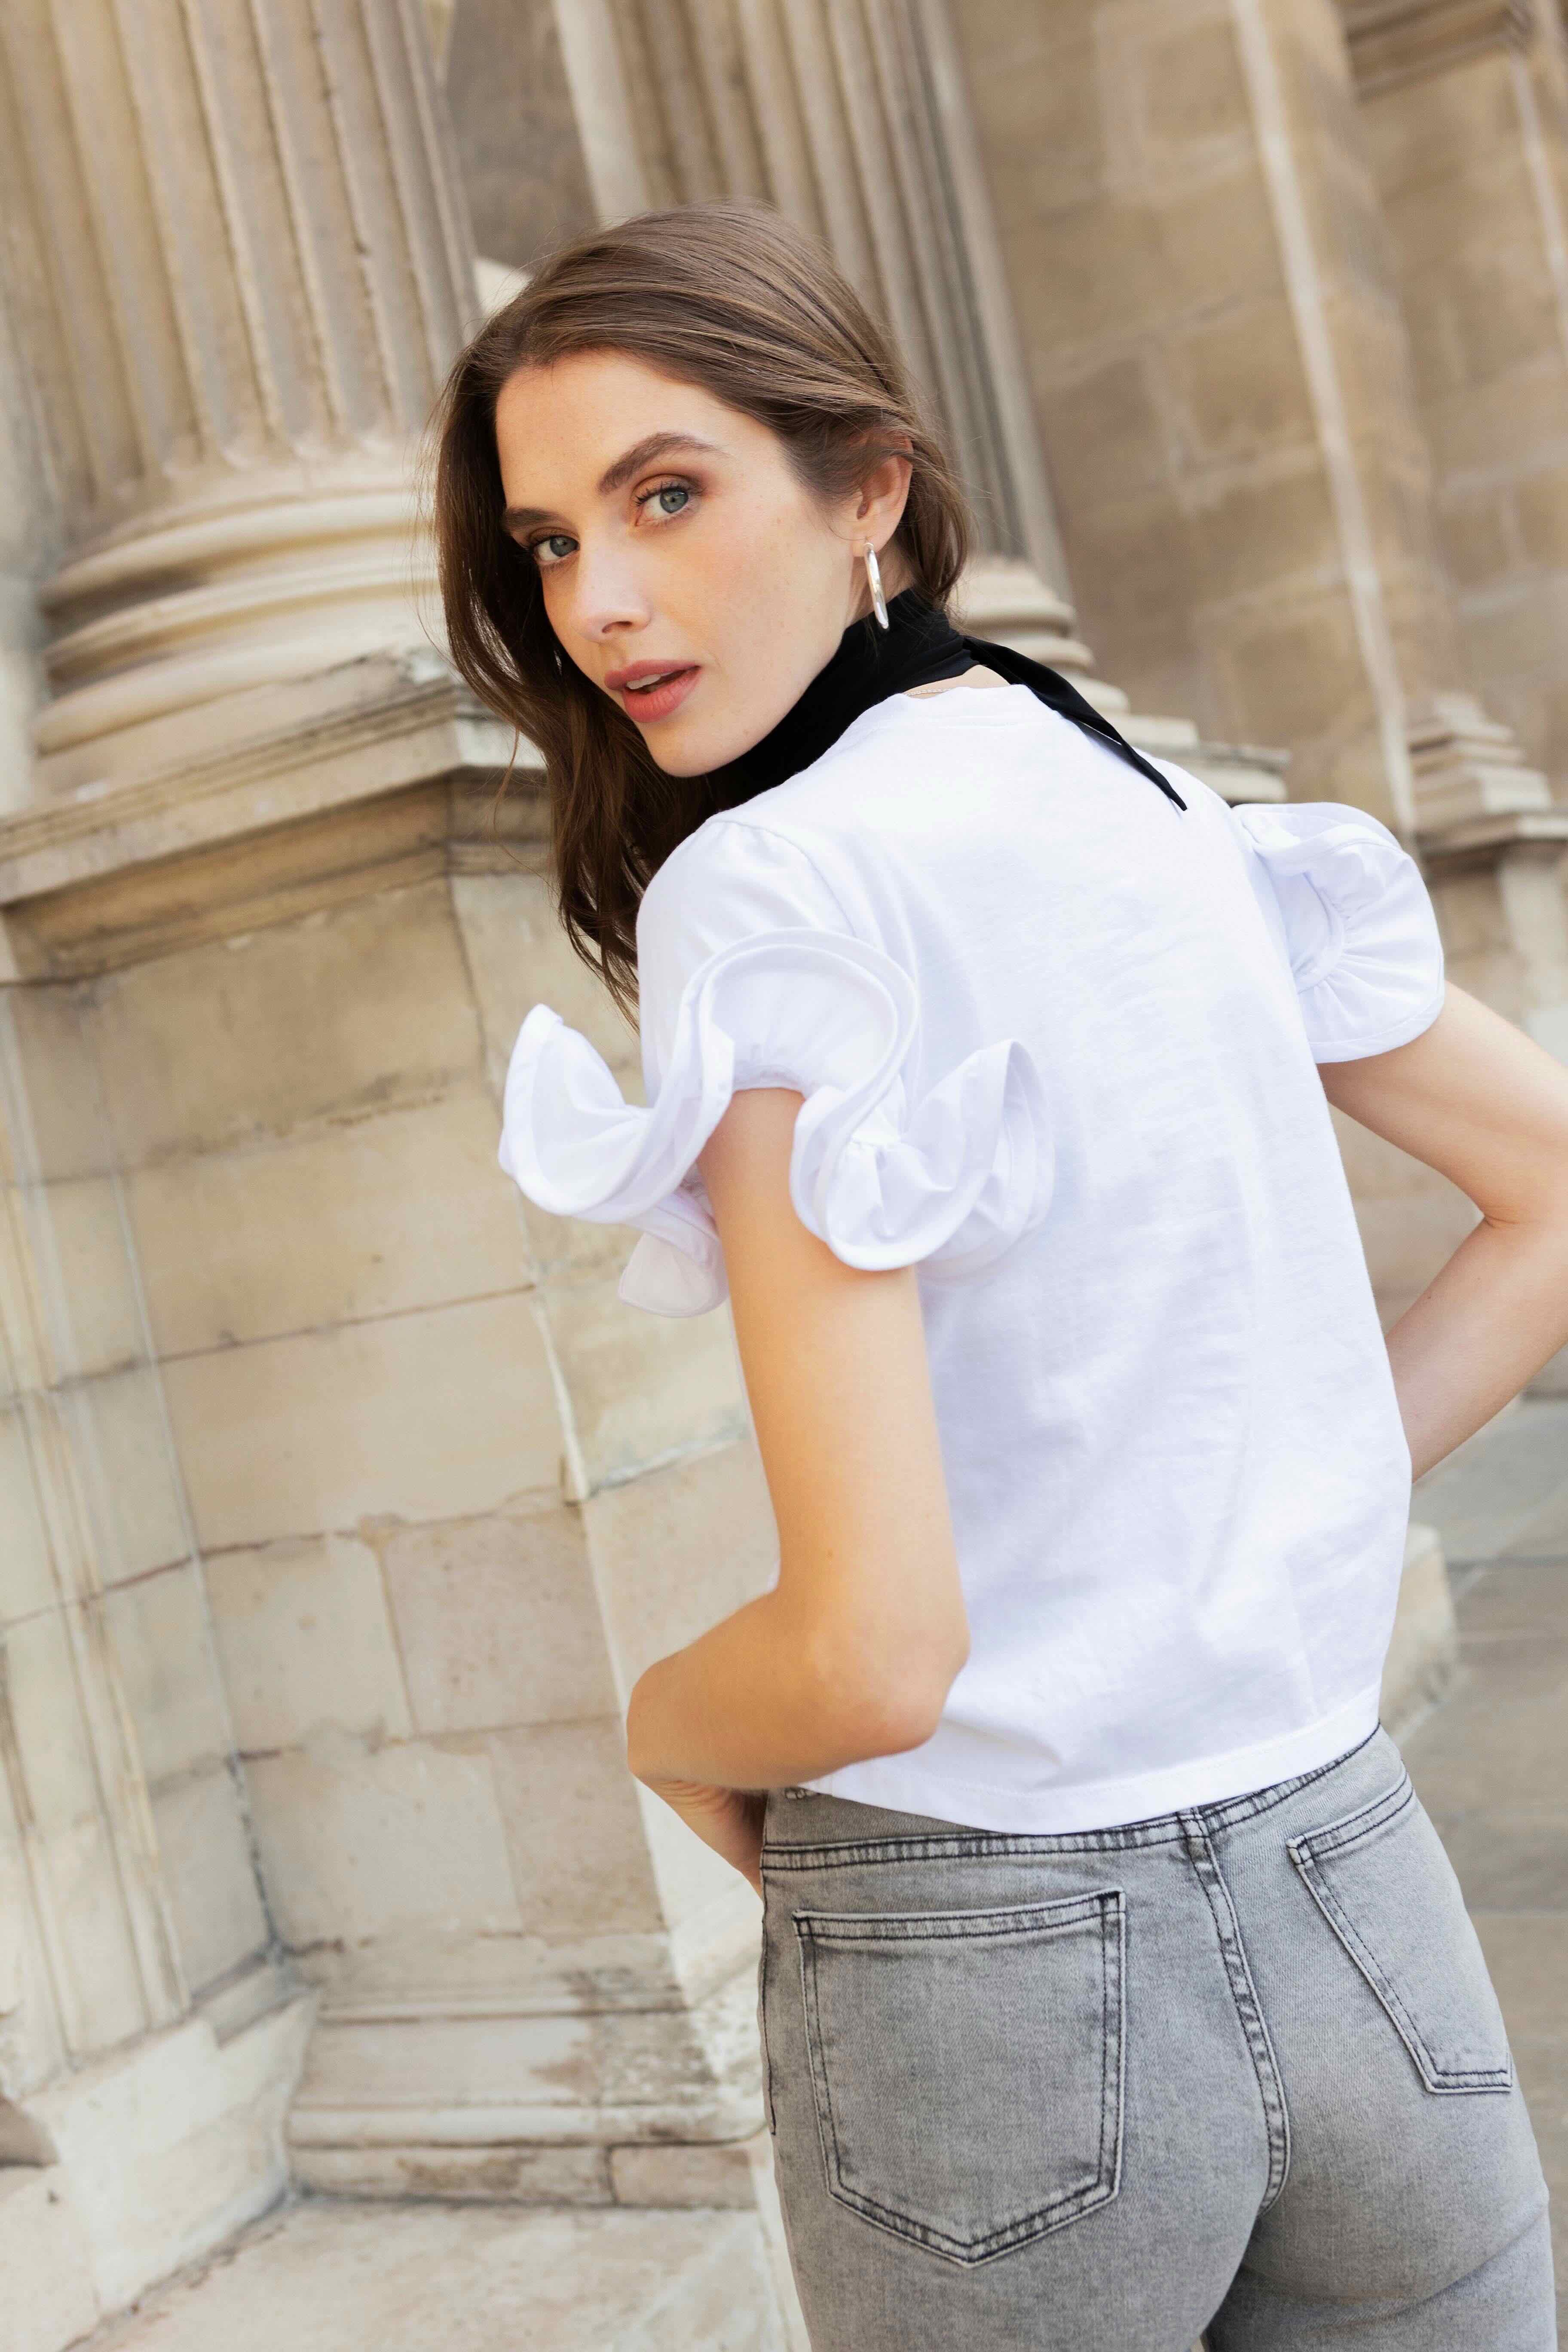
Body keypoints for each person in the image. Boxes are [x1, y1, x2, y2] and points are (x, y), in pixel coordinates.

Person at [431, 198, 1562, 2349]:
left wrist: (664, 1723)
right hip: (1357, 1881)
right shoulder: (1155, 808)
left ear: (870, 487)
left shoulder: (776, 885)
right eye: (551, 542)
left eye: (666, 497)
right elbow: (1556, 1194)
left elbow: (871, 1658)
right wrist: (1273, 1507)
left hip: (1001, 1960)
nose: (601, 603)